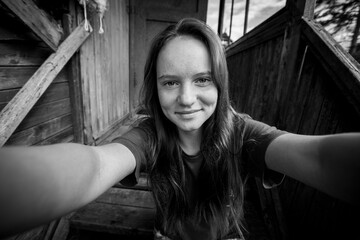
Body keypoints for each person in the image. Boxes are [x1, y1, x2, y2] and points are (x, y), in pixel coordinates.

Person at [0, 18, 359, 240]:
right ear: (155, 89)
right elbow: (94, 165)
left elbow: (318, 156)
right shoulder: (149, 135)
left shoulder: (243, 133)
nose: (187, 99)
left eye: (202, 79)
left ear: (220, 83)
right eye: (170, 83)